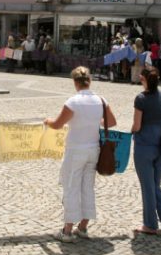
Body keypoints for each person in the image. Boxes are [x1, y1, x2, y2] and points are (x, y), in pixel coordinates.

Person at [44, 66, 116, 242]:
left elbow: (58, 124)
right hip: (94, 150)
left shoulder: (73, 101)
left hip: (76, 150)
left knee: (71, 187)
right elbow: (112, 122)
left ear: (75, 82)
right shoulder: (101, 100)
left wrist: (47, 121)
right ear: (89, 81)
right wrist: (93, 121)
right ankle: (83, 226)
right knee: (87, 188)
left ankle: (67, 230)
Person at [131, 67, 161, 234]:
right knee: (155, 185)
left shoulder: (141, 99)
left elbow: (137, 125)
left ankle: (150, 224)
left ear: (143, 79)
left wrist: (131, 131)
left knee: (148, 187)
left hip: (144, 146)